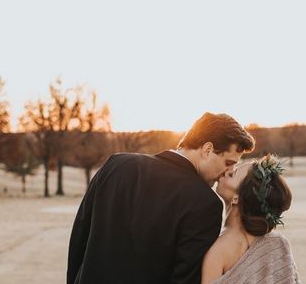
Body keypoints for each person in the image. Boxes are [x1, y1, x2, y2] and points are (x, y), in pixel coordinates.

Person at [67, 112, 255, 284]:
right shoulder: (205, 204)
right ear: (207, 150)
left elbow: (78, 241)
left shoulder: (116, 165)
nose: (228, 172)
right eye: (228, 163)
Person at [201, 155, 301, 284]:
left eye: (232, 175)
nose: (227, 171)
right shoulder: (278, 243)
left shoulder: (217, 252)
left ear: (236, 197)